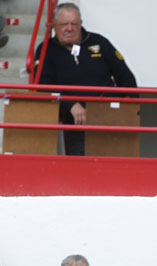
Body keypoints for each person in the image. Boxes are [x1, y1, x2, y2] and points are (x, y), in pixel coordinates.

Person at [33, 3, 137, 156]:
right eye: (64, 24)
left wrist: (129, 111)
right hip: (74, 122)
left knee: (116, 168)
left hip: (108, 117)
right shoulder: (46, 50)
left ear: (81, 23)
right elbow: (43, 86)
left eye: (74, 23)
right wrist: (70, 104)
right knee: (81, 168)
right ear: (54, 26)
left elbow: (126, 77)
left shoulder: (100, 43)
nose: (70, 28)